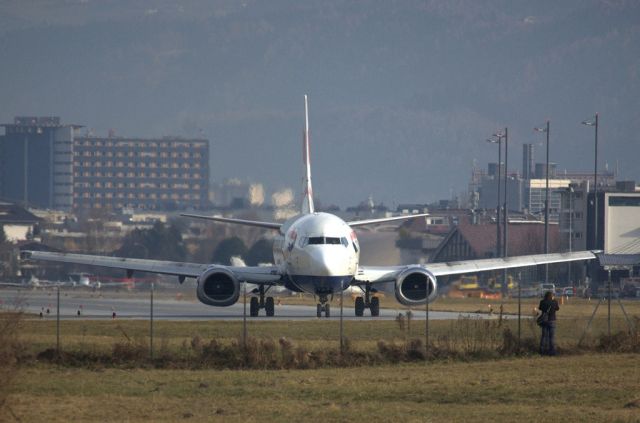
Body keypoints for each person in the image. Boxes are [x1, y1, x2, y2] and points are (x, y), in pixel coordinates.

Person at [538, 291, 560, 355]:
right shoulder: (554, 302)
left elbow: (540, 308)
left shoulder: (542, 302)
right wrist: (553, 300)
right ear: (552, 296)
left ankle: (542, 350)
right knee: (551, 337)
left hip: (544, 321)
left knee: (544, 336)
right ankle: (552, 351)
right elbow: (557, 308)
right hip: (552, 320)